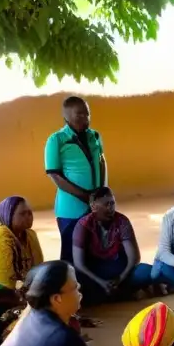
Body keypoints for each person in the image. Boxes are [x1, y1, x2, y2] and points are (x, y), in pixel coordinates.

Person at [45, 95, 106, 263]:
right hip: (70, 209)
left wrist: (101, 192)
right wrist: (86, 197)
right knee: (71, 255)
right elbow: (55, 175)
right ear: (66, 116)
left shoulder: (95, 136)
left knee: (94, 251)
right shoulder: (56, 140)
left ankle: (91, 287)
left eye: (87, 114)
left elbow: (101, 162)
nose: (85, 118)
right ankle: (71, 288)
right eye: (79, 114)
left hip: (95, 205)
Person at [0, 196, 44, 342]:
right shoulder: (0, 240)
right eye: (22, 214)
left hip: (19, 288)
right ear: (8, 216)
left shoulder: (30, 235)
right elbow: (5, 281)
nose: (28, 217)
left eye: (29, 213)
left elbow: (38, 266)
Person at [72, 187, 153, 306]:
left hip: (119, 271)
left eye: (113, 203)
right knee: (73, 279)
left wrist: (120, 278)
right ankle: (123, 293)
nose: (111, 208)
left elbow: (134, 258)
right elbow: (79, 264)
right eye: (106, 204)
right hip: (95, 273)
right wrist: (101, 282)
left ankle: (112, 294)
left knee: (147, 271)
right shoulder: (83, 225)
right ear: (93, 207)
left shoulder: (122, 221)